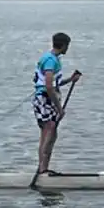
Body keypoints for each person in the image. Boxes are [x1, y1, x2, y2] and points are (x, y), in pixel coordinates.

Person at [33, 32, 79, 175]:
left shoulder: (54, 59)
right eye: (68, 45)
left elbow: (55, 83)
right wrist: (59, 109)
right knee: (48, 132)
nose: (68, 48)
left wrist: (70, 80)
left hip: (49, 98)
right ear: (64, 45)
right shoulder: (50, 60)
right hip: (44, 99)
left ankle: (45, 168)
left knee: (52, 134)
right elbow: (48, 86)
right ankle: (42, 170)